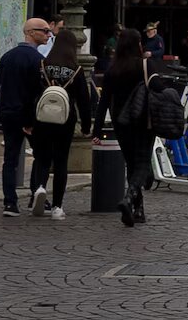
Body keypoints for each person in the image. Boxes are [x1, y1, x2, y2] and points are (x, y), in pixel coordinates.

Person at [28, 28, 95, 220]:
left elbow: (31, 92)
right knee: (61, 161)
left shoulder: (42, 64)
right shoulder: (76, 69)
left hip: (41, 118)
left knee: (42, 157)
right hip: (65, 119)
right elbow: (84, 99)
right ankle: (57, 206)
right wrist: (85, 126)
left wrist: (28, 119)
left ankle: (40, 187)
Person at [0, 18, 51, 216]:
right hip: (28, 116)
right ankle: (37, 193)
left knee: (10, 158)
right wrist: (29, 121)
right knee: (42, 154)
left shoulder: (8, 56)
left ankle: (10, 202)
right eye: (44, 31)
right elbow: (35, 92)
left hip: (9, 114)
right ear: (30, 32)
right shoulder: (36, 60)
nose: (48, 34)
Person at [98, 27, 153, 227]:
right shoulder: (144, 66)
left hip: (120, 122)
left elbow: (104, 101)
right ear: (137, 44)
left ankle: (138, 210)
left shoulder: (113, 69)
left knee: (131, 162)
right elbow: (159, 89)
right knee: (143, 163)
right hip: (143, 120)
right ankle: (130, 198)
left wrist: (97, 130)